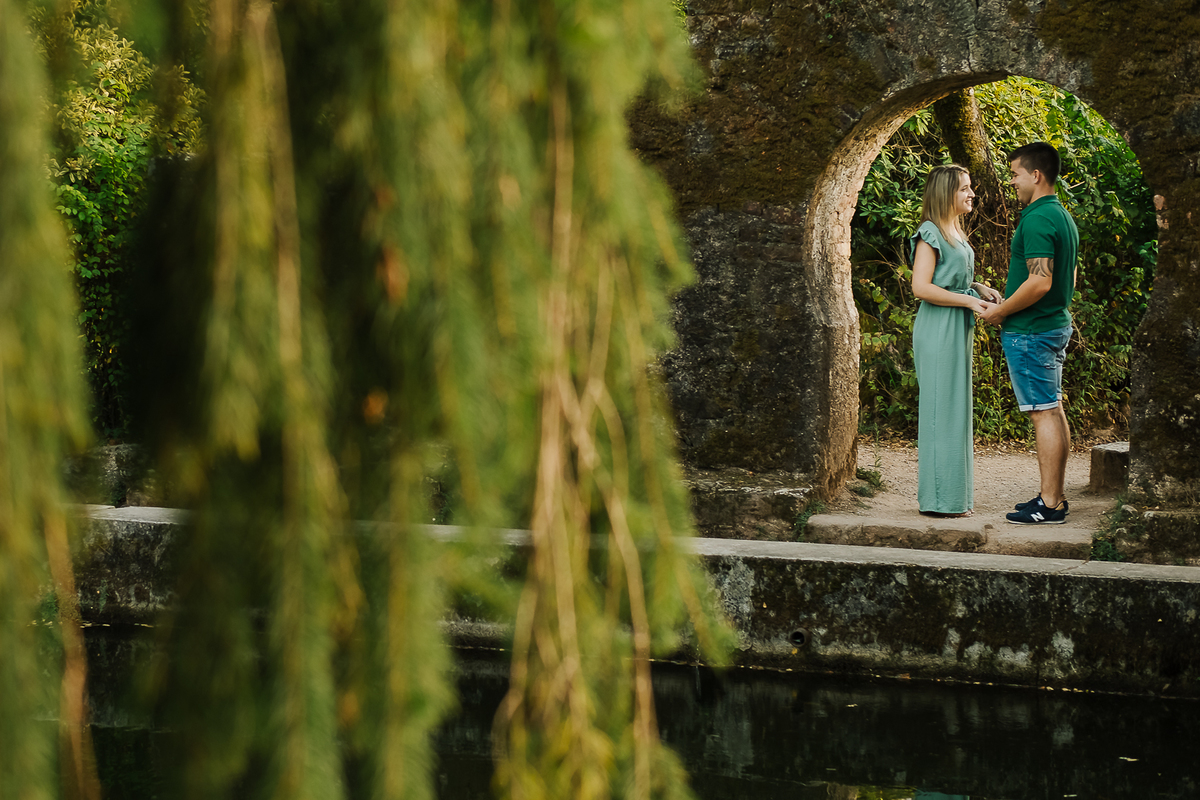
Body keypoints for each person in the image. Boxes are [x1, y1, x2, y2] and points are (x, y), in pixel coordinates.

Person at [979, 142, 1079, 525]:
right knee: (1052, 409)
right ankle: (1053, 497)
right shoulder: (1061, 216)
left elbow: (1039, 281)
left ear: (1035, 175)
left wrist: (1000, 312)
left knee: (1043, 414)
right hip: (1052, 324)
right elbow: (1066, 277)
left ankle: (1050, 504)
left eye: (1015, 174)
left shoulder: (1036, 218)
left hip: (1032, 332)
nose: (1013, 182)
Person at [910, 165, 1001, 518]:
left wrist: (977, 287)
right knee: (940, 410)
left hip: (956, 324)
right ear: (946, 193)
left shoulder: (955, 230)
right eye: (965, 188)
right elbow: (922, 287)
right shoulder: (929, 231)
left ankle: (953, 497)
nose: (972, 194)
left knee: (955, 410)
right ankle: (937, 500)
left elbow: (949, 279)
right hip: (938, 326)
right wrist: (967, 300)